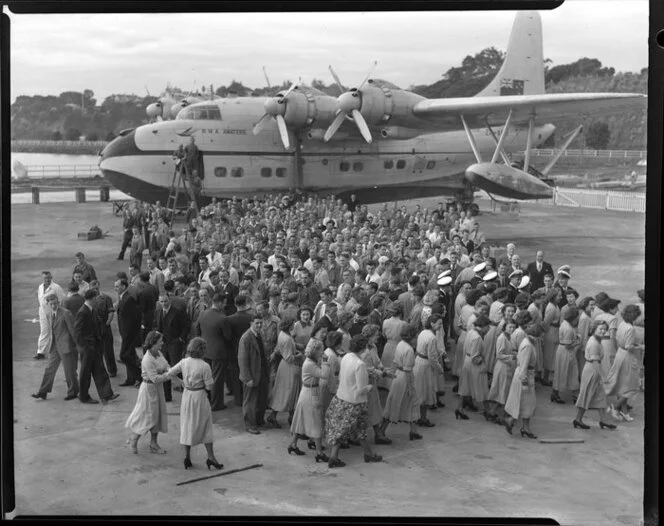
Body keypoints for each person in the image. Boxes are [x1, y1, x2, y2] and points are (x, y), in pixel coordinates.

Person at [325, 335, 383, 468]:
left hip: (341, 398)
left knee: (342, 430)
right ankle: (366, 454)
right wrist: (370, 387)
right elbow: (361, 389)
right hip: (355, 402)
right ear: (363, 348)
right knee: (360, 429)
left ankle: (336, 456)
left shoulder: (346, 357)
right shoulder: (360, 364)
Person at [165, 337, 224, 470]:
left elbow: (169, 373)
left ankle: (187, 457)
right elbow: (209, 387)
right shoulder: (205, 366)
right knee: (205, 425)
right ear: (202, 350)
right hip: (199, 396)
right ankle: (211, 457)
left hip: (187, 395)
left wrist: (181, 382)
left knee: (187, 424)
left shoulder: (184, 362)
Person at [288, 329, 331, 461]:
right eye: (320, 350)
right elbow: (325, 374)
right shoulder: (310, 364)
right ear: (315, 351)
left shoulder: (309, 361)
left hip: (307, 392)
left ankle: (293, 443)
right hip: (312, 393)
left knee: (301, 419)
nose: (322, 352)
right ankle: (319, 453)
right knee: (316, 421)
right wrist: (325, 361)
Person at [125, 331, 170, 454]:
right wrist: (169, 375)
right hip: (149, 390)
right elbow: (154, 378)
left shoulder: (158, 353)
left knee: (157, 416)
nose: (162, 343)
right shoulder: (147, 359)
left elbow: (166, 366)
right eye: (160, 340)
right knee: (147, 416)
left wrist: (171, 372)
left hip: (158, 389)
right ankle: (134, 439)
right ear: (153, 343)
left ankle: (153, 444)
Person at [74, 289, 119, 405]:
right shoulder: (82, 312)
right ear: (93, 298)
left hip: (95, 346)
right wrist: (85, 347)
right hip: (88, 348)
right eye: (96, 298)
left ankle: (107, 394)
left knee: (100, 370)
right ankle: (84, 396)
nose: (98, 300)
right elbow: (77, 332)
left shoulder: (91, 310)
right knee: (85, 373)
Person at [31, 294, 79, 401]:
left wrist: (78, 346)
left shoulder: (66, 313)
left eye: (55, 303)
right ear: (48, 304)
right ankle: (43, 392)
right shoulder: (49, 314)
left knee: (69, 371)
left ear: (58, 302)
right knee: (49, 369)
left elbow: (73, 330)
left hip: (66, 346)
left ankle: (73, 392)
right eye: (51, 304)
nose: (53, 306)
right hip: (55, 346)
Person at [380, 324, 423, 441]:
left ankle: (413, 431)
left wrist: (393, 373)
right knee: (405, 403)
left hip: (398, 375)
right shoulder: (409, 350)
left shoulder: (400, 344)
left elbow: (395, 361)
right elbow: (408, 371)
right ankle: (382, 431)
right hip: (405, 378)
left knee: (396, 402)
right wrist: (410, 387)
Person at [572, 320, 617, 431]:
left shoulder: (596, 340)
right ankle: (578, 419)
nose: (603, 331)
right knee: (587, 394)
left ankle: (603, 420)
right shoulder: (594, 343)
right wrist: (603, 377)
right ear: (594, 329)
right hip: (592, 370)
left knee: (600, 396)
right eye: (600, 329)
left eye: (604, 329)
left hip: (593, 369)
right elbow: (595, 361)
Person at [604, 305, 644, 422]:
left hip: (620, 353)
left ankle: (624, 410)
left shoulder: (622, 324)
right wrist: (641, 346)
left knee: (623, 384)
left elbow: (620, 341)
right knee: (631, 387)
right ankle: (615, 406)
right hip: (627, 356)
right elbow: (629, 346)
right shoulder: (630, 329)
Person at [503, 323, 542, 439]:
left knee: (527, 404)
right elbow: (524, 365)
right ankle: (511, 420)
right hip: (524, 377)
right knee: (524, 402)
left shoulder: (528, 343)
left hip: (525, 375)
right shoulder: (528, 346)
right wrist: (525, 383)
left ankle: (525, 427)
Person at [197, 293, 232, 411]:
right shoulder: (222, 318)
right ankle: (216, 403)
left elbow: (197, 330)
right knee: (217, 379)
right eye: (224, 303)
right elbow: (228, 336)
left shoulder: (202, 314)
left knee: (206, 377)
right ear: (220, 303)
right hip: (219, 352)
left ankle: (207, 399)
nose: (225, 305)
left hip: (205, 351)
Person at [267, 318, 303, 428]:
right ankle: (286, 416)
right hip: (289, 368)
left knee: (283, 392)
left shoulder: (282, 334)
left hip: (284, 367)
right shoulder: (287, 338)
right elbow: (288, 357)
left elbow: (280, 348)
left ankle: (288, 416)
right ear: (289, 326)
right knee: (289, 392)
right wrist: (299, 355)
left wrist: (295, 346)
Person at [455, 314, 492, 421]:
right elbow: (475, 357)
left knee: (464, 386)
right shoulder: (477, 337)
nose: (489, 329)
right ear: (484, 326)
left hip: (467, 361)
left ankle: (459, 408)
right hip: (474, 364)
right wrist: (483, 362)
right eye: (488, 326)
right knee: (483, 387)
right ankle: (487, 411)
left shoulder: (471, 332)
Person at [238, 315, 270, 434]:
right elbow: (242, 360)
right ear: (251, 323)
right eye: (257, 323)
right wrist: (247, 378)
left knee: (261, 399)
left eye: (261, 323)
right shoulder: (246, 338)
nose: (259, 325)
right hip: (251, 375)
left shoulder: (258, 335)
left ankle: (259, 420)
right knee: (250, 401)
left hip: (261, 372)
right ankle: (250, 425)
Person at [360, 324, 392, 445]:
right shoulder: (363, 350)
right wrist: (383, 373)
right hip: (364, 383)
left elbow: (377, 361)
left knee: (374, 408)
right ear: (369, 336)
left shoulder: (373, 346)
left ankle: (377, 434)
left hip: (372, 383)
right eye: (376, 335)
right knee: (364, 409)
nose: (378, 338)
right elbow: (368, 369)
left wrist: (384, 368)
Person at [156, 294, 190, 402]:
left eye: (165, 301)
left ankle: (185, 390)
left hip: (175, 342)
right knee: (164, 369)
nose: (164, 303)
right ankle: (167, 396)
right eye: (161, 302)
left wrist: (181, 338)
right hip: (163, 344)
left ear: (169, 300)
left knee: (176, 367)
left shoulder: (178, 312)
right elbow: (157, 326)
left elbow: (186, 325)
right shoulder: (158, 312)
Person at [413, 314, 445, 427]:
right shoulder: (432, 337)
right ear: (432, 323)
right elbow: (432, 357)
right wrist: (440, 369)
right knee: (425, 392)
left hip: (418, 362)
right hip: (425, 366)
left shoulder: (423, 332)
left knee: (419, 391)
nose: (441, 326)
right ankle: (422, 418)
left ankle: (418, 417)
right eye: (439, 323)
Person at [487, 318, 518, 424]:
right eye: (510, 327)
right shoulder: (502, 338)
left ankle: (494, 412)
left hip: (507, 366)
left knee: (503, 391)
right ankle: (493, 413)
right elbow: (499, 354)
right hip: (502, 367)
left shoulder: (509, 337)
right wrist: (512, 357)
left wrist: (513, 354)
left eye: (514, 327)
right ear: (505, 327)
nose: (512, 329)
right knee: (501, 391)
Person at [115, 278, 142, 388]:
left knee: (124, 356)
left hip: (128, 334)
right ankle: (130, 379)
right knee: (129, 355)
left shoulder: (129, 299)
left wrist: (131, 334)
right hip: (125, 333)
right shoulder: (122, 298)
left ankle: (140, 377)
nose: (115, 288)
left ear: (124, 287)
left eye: (117, 286)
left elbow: (136, 317)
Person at [551, 307, 581, 404]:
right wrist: (577, 342)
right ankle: (574, 395)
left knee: (561, 372)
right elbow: (568, 345)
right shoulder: (568, 328)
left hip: (561, 350)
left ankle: (555, 392)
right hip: (567, 351)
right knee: (571, 372)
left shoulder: (564, 323)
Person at [35, 271, 65, 360]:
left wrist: (58, 312)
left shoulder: (56, 287)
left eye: (48, 278)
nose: (47, 280)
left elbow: (61, 300)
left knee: (58, 331)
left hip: (54, 312)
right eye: (45, 278)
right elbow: (40, 300)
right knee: (44, 331)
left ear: (51, 277)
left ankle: (61, 351)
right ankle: (41, 353)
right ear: (43, 278)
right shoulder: (40, 287)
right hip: (43, 312)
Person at [380, 302, 407, 390]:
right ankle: (393, 384)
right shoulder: (403, 324)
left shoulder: (385, 322)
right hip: (398, 345)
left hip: (388, 344)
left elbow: (383, 334)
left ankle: (383, 383)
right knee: (395, 365)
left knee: (386, 363)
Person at [320, 331, 344, 417]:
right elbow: (331, 375)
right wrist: (334, 389)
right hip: (328, 386)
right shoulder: (332, 356)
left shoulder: (327, 351)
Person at [541, 288, 561, 386]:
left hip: (554, 331)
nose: (560, 298)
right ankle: (545, 378)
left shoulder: (555, 306)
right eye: (558, 296)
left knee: (552, 355)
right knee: (549, 355)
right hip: (551, 332)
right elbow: (546, 323)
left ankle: (547, 376)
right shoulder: (552, 308)